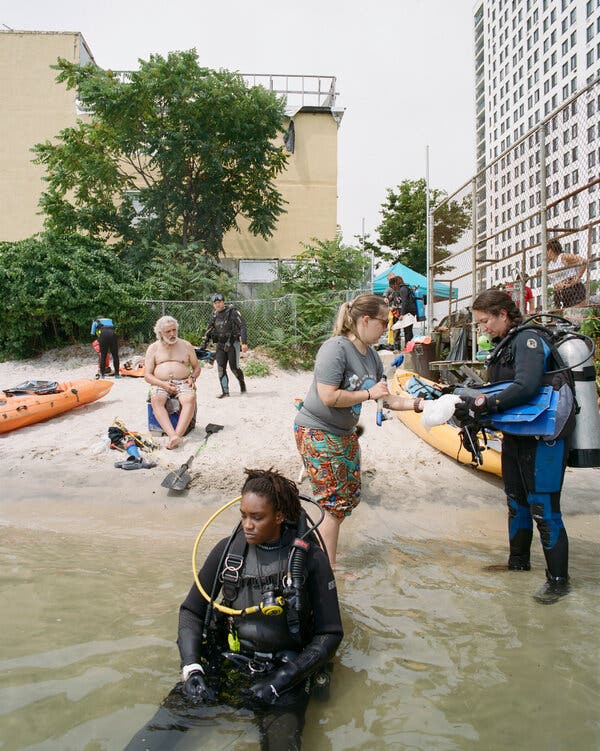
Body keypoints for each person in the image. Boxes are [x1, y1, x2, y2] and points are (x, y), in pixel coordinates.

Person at [124, 468, 343, 751]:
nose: (247, 525)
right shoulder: (228, 552)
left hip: (285, 674)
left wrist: (283, 679)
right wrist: (192, 668)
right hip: (228, 663)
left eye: (257, 517)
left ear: (279, 517)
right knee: (150, 740)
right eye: (243, 515)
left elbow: (330, 633)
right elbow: (191, 611)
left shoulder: (310, 559)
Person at [453, 289, 573, 604]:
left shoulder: (528, 339)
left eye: (484, 322)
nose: (483, 329)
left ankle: (559, 583)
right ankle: (517, 565)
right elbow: (503, 390)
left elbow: (528, 385)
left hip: (545, 437)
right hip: (518, 436)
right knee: (516, 503)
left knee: (544, 509)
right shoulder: (504, 345)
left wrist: (485, 403)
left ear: (503, 315)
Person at [294, 293, 427, 567]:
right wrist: (367, 394)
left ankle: (324, 549)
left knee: (346, 498)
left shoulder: (373, 358)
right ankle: (327, 569)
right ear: (365, 320)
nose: (386, 328)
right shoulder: (336, 349)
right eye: (383, 322)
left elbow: (385, 398)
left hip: (344, 434)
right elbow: (329, 396)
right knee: (332, 503)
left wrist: (420, 404)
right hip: (318, 431)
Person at [144, 316, 200, 449]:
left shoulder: (186, 345)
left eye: (174, 330)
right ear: (160, 333)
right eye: (168, 331)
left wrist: (192, 378)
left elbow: (197, 367)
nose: (172, 334)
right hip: (161, 382)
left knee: (190, 398)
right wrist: (163, 385)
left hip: (182, 381)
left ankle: (177, 436)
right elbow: (147, 375)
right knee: (156, 399)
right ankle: (172, 434)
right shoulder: (153, 348)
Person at [202, 293, 248, 398]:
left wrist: (244, 342)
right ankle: (225, 392)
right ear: (213, 304)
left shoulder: (233, 312)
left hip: (233, 343)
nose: (217, 305)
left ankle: (242, 384)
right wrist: (203, 347)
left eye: (219, 302)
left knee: (234, 368)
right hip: (220, 345)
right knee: (221, 368)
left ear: (223, 302)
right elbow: (208, 331)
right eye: (215, 303)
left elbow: (243, 326)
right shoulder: (214, 315)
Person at [547, 238, 587, 308]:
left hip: (573, 289)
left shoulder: (563, 257)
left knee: (574, 315)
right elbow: (538, 272)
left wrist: (578, 277)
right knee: (561, 316)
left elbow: (583, 261)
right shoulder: (550, 263)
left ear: (550, 250)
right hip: (559, 293)